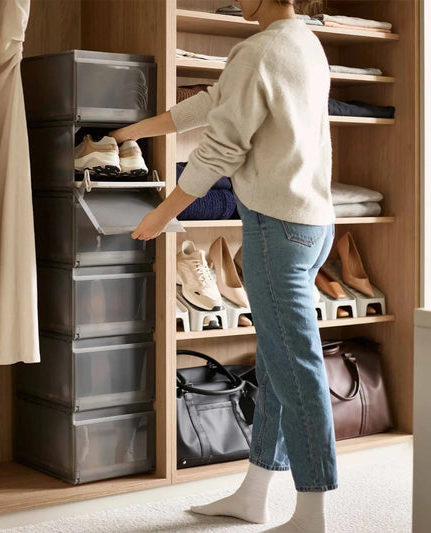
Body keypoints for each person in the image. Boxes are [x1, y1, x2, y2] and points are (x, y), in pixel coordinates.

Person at [110, 1, 336, 531]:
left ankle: (313, 514)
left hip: (275, 230)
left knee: (297, 371)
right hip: (312, 226)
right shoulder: (303, 41)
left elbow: (219, 151)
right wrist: (132, 133)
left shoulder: (258, 50)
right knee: (281, 366)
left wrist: (160, 214)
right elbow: (214, 103)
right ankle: (255, 495)